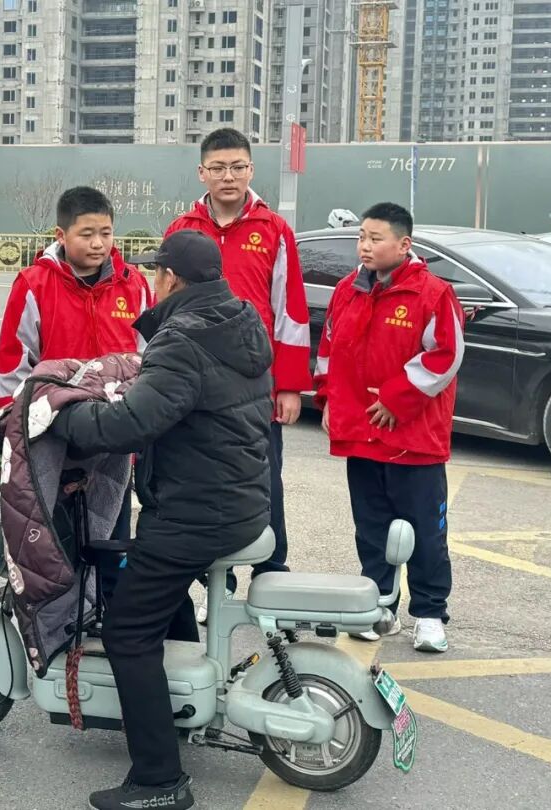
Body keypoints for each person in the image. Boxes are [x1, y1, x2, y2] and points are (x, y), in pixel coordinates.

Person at [48, 229, 273, 810]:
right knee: (159, 597)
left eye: (156, 271)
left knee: (127, 630)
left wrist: (59, 414)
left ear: (170, 278)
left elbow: (129, 425)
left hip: (196, 512)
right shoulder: (241, 320)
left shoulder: (182, 339)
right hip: (241, 502)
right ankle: (176, 710)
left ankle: (158, 780)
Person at [0, 186, 167, 629]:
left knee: (110, 540)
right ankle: (54, 631)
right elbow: (13, 367)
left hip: (115, 443)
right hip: (55, 440)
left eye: (105, 233)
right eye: (86, 234)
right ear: (61, 235)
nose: (97, 244)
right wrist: (22, 436)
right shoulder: (33, 284)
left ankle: (106, 629)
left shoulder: (133, 284)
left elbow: (149, 358)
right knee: (56, 544)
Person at [167, 127, 311, 616]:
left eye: (237, 167)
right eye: (218, 168)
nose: (228, 176)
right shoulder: (182, 229)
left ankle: (272, 575)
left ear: (251, 170)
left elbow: (290, 312)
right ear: (201, 173)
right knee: (206, 482)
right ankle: (217, 581)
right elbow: (166, 303)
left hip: (255, 387)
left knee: (265, 481)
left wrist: (289, 386)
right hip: (197, 386)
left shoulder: (273, 230)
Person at [314, 202, 463, 653]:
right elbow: (330, 347)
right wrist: (328, 399)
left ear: (404, 244)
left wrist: (398, 399)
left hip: (413, 438)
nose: (365, 246)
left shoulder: (433, 293)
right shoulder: (347, 290)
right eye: (361, 237)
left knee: (424, 532)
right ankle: (380, 605)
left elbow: (445, 355)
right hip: (362, 435)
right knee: (372, 527)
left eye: (375, 239)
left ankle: (430, 614)